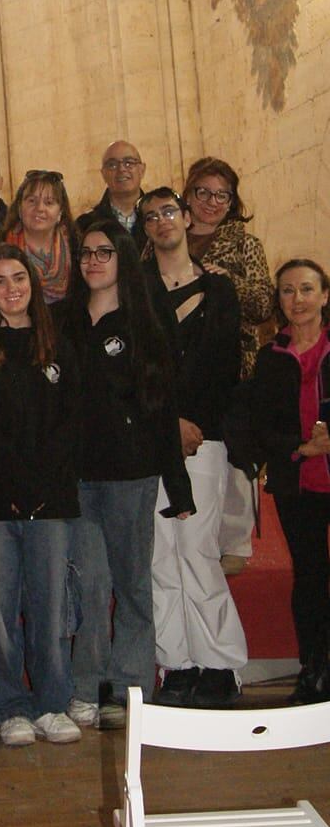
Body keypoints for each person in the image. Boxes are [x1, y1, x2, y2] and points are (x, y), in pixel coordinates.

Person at [67, 216, 194, 728]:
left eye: (103, 251)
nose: (93, 260)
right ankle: (86, 686)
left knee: (132, 585)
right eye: (86, 253)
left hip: (131, 476)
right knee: (90, 585)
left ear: (122, 259)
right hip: (76, 476)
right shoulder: (64, 321)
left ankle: (132, 688)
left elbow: (162, 410)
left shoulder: (145, 324)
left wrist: (176, 484)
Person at [0, 246, 82, 747]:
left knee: (51, 608)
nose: (11, 289)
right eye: (0, 281)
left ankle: (52, 703)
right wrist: (11, 484)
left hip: (50, 500)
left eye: (19, 279)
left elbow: (70, 422)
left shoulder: (59, 346)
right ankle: (9, 707)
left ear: (33, 284)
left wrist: (39, 483)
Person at [140, 188, 246, 706]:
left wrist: (189, 422)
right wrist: (164, 423)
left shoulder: (220, 290)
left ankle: (220, 664)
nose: (161, 221)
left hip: (203, 440)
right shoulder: (136, 293)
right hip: (153, 440)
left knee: (198, 553)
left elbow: (220, 367)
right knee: (161, 557)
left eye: (167, 211)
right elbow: (139, 372)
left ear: (185, 217)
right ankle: (177, 664)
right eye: (150, 217)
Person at [227, 259, 330, 702]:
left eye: (307, 289)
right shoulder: (271, 357)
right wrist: (300, 446)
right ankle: (315, 669)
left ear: (325, 296)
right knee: (310, 577)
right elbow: (260, 424)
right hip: (298, 483)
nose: (298, 299)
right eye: (288, 291)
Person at [183, 156, 274, 573]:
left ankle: (235, 539)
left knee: (235, 446)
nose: (211, 201)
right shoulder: (166, 234)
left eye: (222, 194)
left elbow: (261, 305)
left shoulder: (244, 242)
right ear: (189, 192)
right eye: (204, 191)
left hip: (233, 361)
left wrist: (224, 280)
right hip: (182, 362)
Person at [3, 169, 76, 304]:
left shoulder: (76, 247)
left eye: (49, 202)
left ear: (60, 212)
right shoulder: (2, 250)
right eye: (32, 201)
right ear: (19, 208)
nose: (40, 208)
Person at [75, 141, 147, 243]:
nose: (121, 169)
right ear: (103, 174)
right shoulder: (85, 225)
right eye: (112, 165)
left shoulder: (158, 218)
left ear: (142, 170)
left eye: (129, 163)